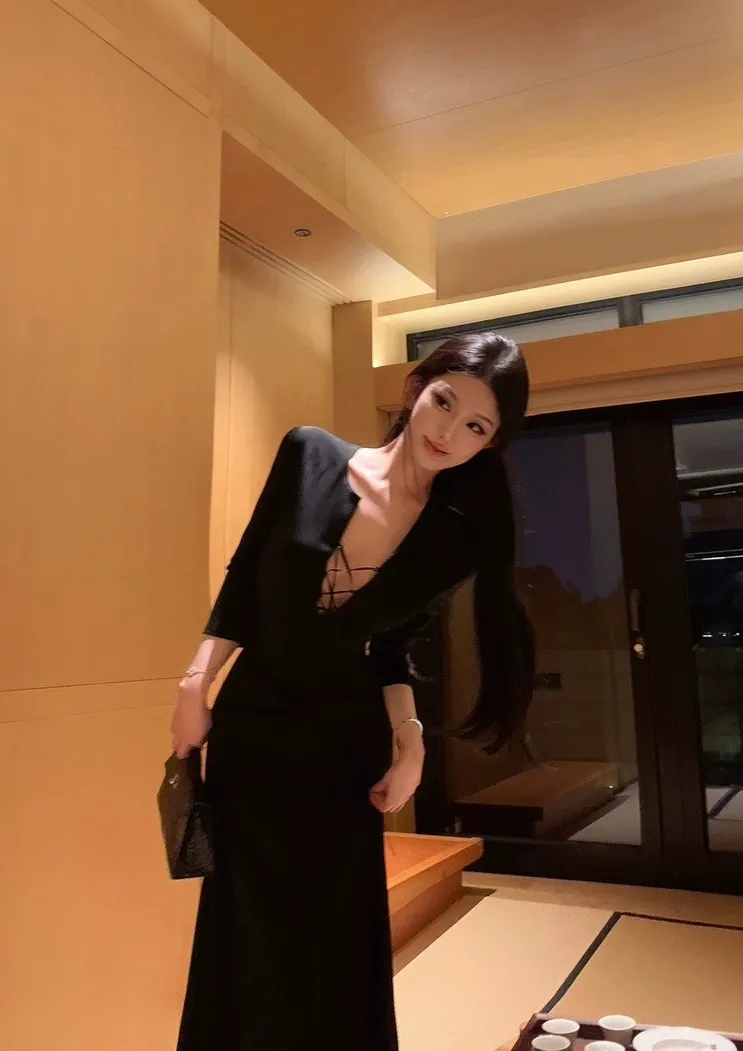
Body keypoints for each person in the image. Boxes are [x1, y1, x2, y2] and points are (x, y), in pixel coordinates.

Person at [170, 332, 535, 1051]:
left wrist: (410, 740)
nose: (448, 432)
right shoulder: (308, 452)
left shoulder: (454, 540)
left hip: (342, 747)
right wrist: (194, 683)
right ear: (414, 388)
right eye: (444, 402)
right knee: (242, 926)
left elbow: (391, 649)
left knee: (334, 937)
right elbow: (244, 580)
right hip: (253, 732)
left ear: (489, 444)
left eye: (475, 426)